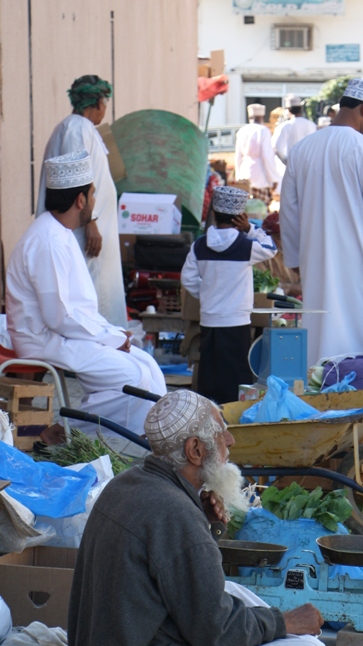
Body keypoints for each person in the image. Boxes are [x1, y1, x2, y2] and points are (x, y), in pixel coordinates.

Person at [68, 390, 331, 646]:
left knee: (237, 594)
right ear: (195, 450)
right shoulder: (174, 510)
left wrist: (208, 528)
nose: (230, 441)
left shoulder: (127, 483)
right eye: (222, 433)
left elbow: (180, 578)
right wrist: (283, 622)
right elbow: (213, 629)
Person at [6, 151, 166, 438]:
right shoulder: (49, 240)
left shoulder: (60, 232)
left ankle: (87, 432)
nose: (94, 202)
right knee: (134, 378)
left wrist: (113, 333)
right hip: (44, 339)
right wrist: (110, 338)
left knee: (148, 367)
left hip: (64, 334)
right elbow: (60, 316)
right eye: (91, 195)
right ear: (80, 200)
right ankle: (66, 432)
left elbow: (76, 309)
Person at [280, 78, 363, 366]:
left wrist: (297, 258)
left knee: (324, 330)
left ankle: (322, 386)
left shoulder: (302, 149)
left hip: (318, 261)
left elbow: (289, 211)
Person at [37, 75, 126, 327]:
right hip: (83, 232)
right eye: (105, 103)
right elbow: (76, 180)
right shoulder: (77, 128)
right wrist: (91, 223)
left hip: (87, 228)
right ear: (98, 102)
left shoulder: (78, 128)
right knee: (88, 292)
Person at [181, 186, 277, 405]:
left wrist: (206, 294)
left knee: (210, 373)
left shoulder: (199, 245)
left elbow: (187, 279)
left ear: (214, 213)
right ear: (239, 216)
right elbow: (271, 248)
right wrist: (250, 229)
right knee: (236, 376)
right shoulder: (246, 246)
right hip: (237, 321)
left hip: (209, 320)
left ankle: (209, 417)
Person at [235, 104, 277, 204]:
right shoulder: (263, 131)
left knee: (245, 207)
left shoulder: (242, 130)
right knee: (259, 208)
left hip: (244, 172)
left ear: (250, 117)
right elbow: (267, 157)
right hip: (260, 175)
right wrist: (273, 178)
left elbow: (238, 156)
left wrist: (238, 176)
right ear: (262, 117)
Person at [273, 94, 316, 168]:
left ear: (288, 110)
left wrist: (286, 162)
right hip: (309, 167)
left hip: (291, 167)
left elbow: (277, 148)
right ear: (301, 109)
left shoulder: (285, 126)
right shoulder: (311, 125)